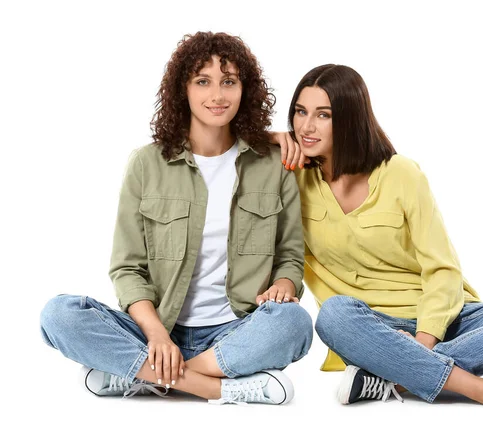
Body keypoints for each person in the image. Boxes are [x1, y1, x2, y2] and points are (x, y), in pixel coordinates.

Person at [40, 31, 313, 405]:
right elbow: (127, 269)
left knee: (294, 324)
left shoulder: (273, 163)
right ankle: (217, 387)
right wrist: (156, 336)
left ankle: (145, 376)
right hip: (156, 329)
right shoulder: (146, 164)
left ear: (244, 90)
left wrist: (284, 284)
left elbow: (290, 256)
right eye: (203, 81)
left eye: (228, 82)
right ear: (182, 90)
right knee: (59, 315)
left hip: (236, 329)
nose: (217, 96)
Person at [272, 64, 483, 412]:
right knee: (332, 316)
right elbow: (223, 141)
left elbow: (443, 269)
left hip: (446, 320)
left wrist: (423, 343)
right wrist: (270, 138)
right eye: (300, 112)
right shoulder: (292, 179)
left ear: (350, 119)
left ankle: (392, 377)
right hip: (370, 329)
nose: (306, 126)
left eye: (323, 115)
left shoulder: (401, 173)